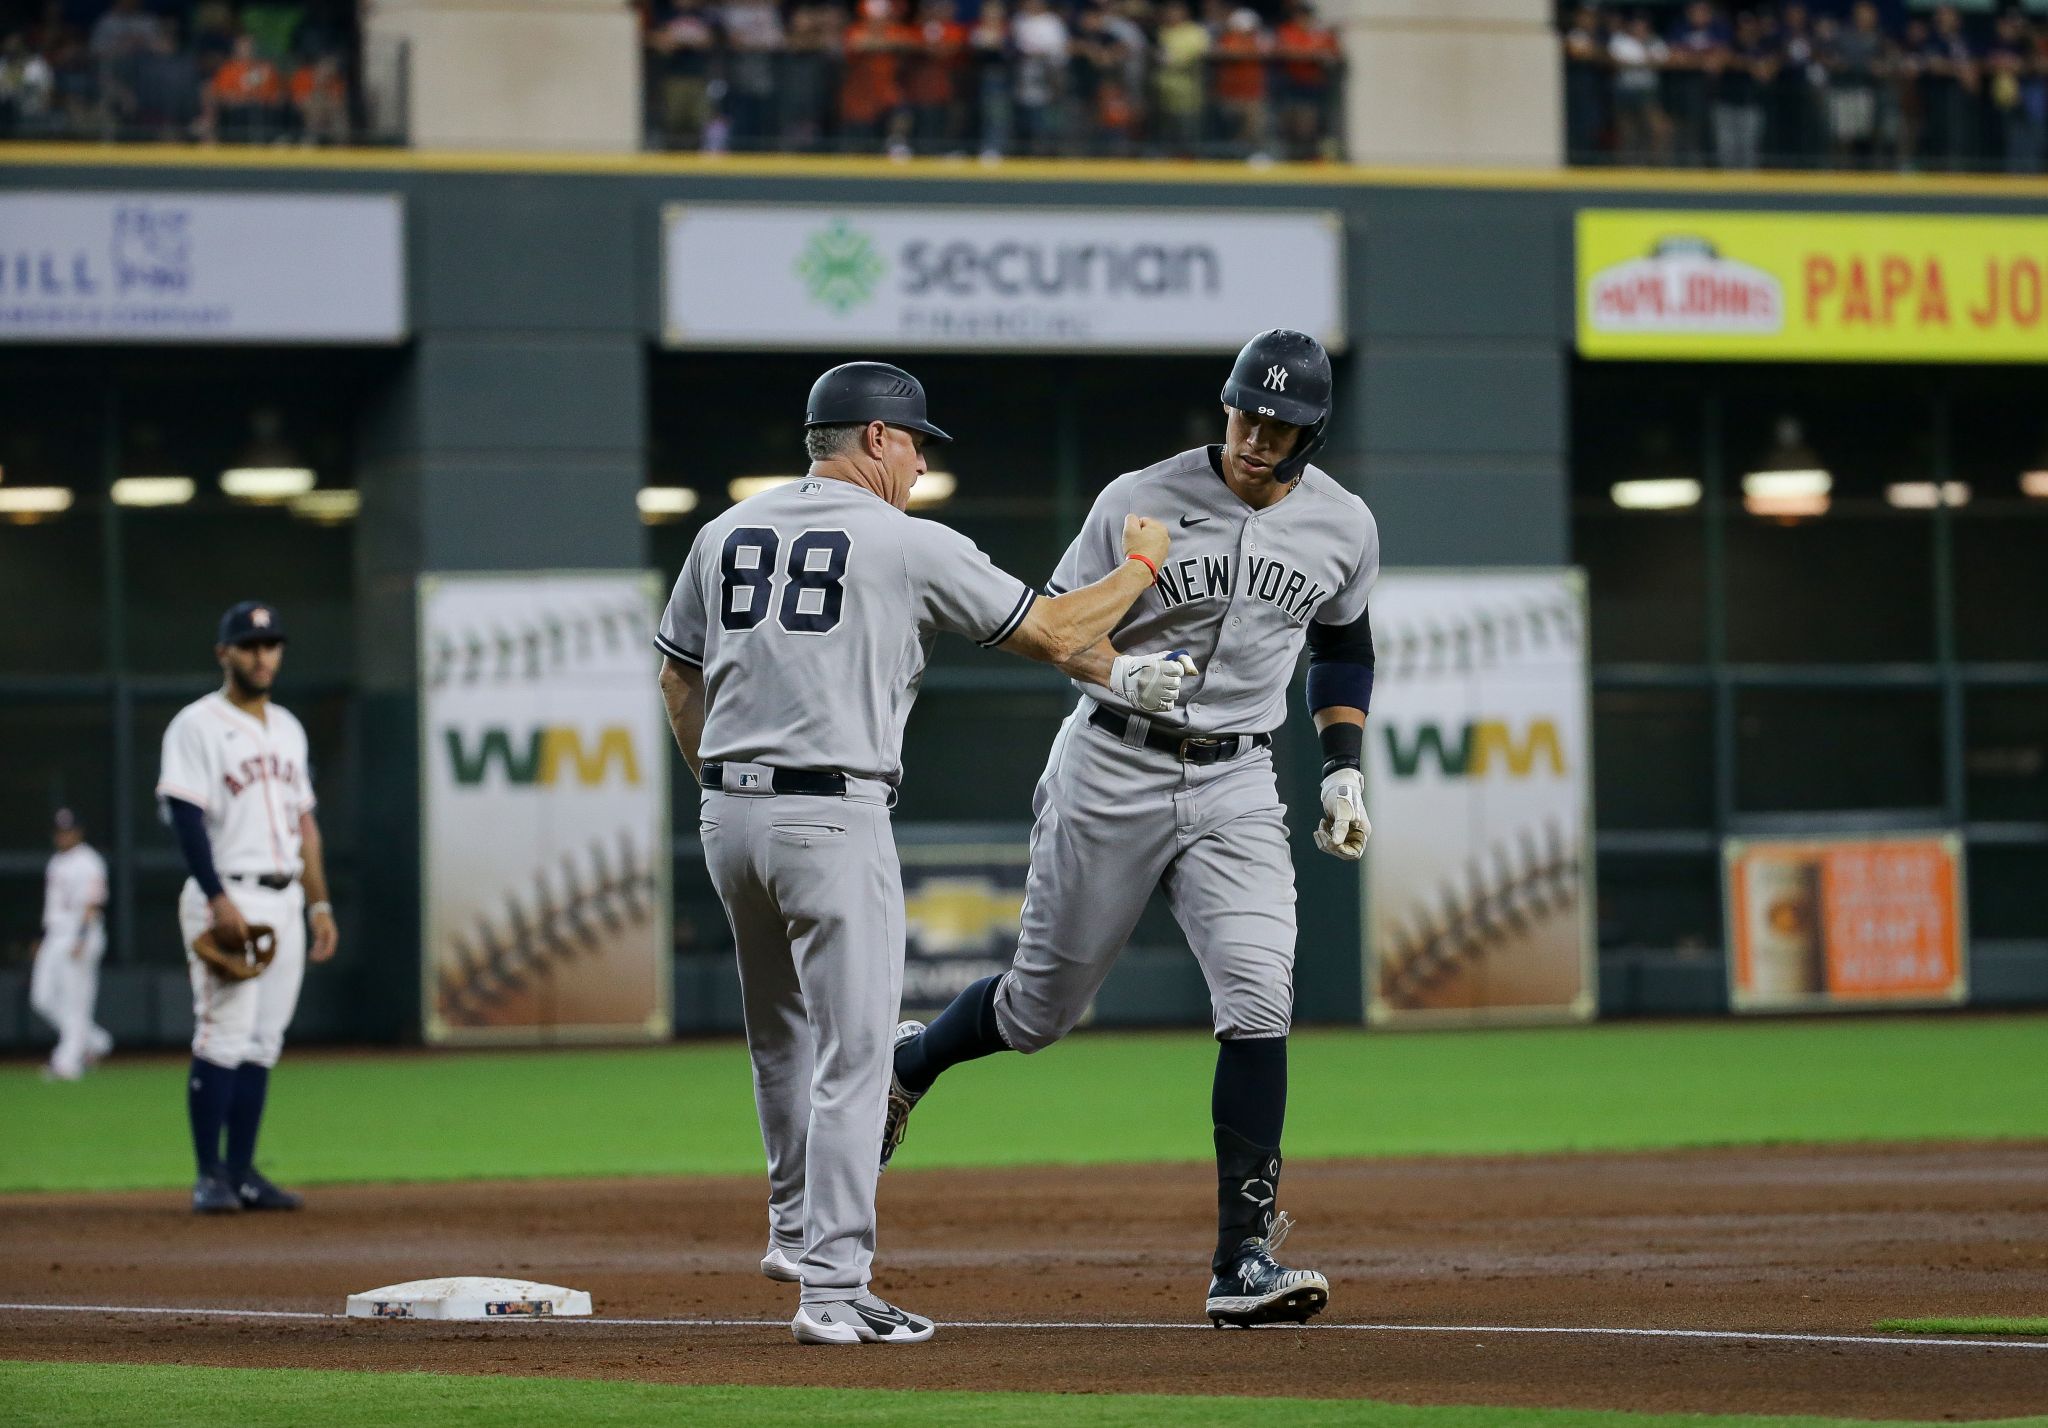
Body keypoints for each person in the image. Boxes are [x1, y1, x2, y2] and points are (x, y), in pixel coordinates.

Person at [655, 362, 1191, 1346]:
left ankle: (790, 1230)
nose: (916, 461)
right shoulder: (902, 542)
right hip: (831, 813)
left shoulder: (721, 532)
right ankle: (834, 1287)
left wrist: (723, 791)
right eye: (911, 443)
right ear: (872, 438)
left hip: (728, 816)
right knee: (858, 1055)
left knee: (780, 1036)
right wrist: (1140, 568)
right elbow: (1055, 630)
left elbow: (675, 677)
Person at [884, 330, 1381, 1330]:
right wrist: (1111, 668)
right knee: (1038, 1013)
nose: (1253, 435)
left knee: (1257, 996)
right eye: (1243, 413)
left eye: (1277, 425)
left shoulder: (1343, 525)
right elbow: (1058, 626)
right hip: (1111, 761)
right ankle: (909, 1064)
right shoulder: (1138, 497)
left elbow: (1342, 642)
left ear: (1309, 435)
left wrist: (1341, 770)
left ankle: (1242, 1258)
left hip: (1239, 777)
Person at [158, 601, 339, 1215]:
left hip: (286, 897)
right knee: (223, 1032)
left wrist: (320, 905)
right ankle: (209, 1174)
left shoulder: (287, 727)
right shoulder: (196, 725)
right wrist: (215, 897)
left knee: (263, 1040)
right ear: (224, 653)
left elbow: (305, 824)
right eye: (249, 645)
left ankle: (243, 1172)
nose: (262, 656)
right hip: (227, 894)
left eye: (270, 645)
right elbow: (185, 817)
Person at [28, 809, 111, 1082]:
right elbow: (53, 908)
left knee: (76, 1003)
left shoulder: (89, 861)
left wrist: (82, 938)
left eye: (68, 830)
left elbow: (92, 904)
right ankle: (95, 1040)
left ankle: (67, 1062)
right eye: (60, 831)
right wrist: (43, 939)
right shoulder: (56, 862)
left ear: (79, 831)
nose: (63, 835)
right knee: (42, 998)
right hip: (55, 934)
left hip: (79, 934)